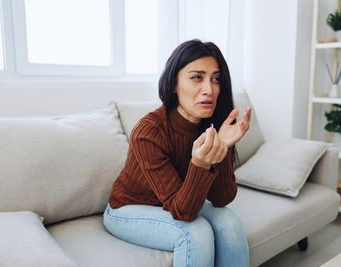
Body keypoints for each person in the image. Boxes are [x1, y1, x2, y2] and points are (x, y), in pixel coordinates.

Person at [104, 39, 251, 267]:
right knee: (195, 232)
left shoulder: (210, 124)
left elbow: (222, 199)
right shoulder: (149, 132)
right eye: (196, 77)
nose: (209, 89)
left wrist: (221, 147)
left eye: (216, 79)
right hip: (127, 209)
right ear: (174, 84)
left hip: (175, 202)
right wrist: (199, 164)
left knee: (229, 222)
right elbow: (184, 212)